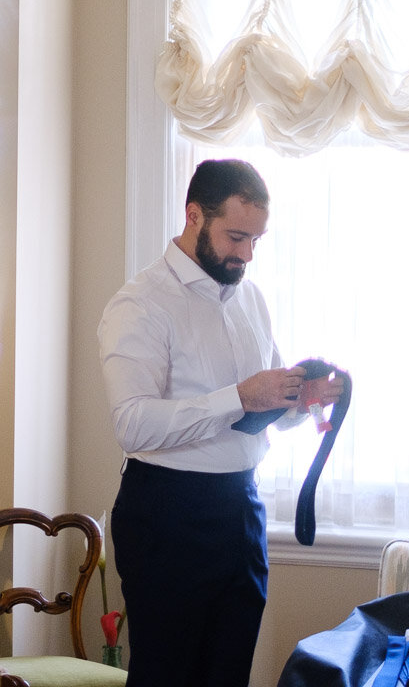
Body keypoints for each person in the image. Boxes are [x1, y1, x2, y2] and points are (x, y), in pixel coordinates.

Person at [98, 158, 342, 687]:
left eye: (256, 240)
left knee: (229, 676)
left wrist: (301, 401)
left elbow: (262, 418)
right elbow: (132, 424)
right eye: (236, 237)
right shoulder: (139, 304)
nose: (247, 254)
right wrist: (238, 396)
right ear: (193, 216)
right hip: (165, 514)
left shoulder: (250, 299)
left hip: (241, 511)